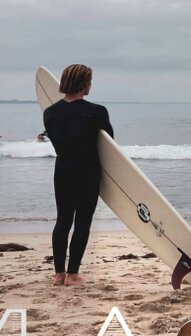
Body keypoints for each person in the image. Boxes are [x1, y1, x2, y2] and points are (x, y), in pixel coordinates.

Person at [43, 64, 114, 287]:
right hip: (87, 170)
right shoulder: (97, 111)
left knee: (63, 220)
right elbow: (110, 145)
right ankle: (73, 274)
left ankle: (58, 275)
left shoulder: (50, 113)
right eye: (90, 81)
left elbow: (57, 144)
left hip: (62, 169)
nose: (91, 85)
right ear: (84, 83)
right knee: (82, 221)